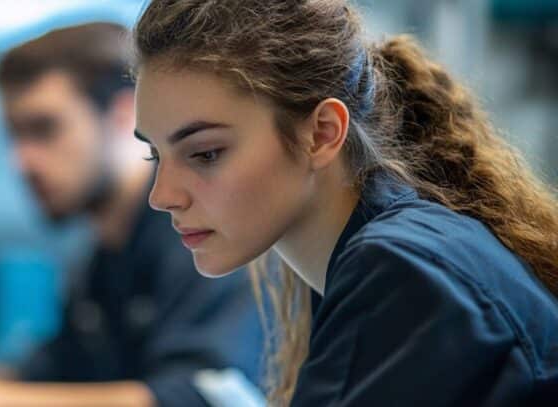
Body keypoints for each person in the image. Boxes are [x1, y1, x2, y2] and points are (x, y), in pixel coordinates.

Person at [131, 0, 558, 406]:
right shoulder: (378, 261)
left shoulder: (399, 271)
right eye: (155, 155)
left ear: (321, 134)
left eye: (206, 153)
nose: (162, 196)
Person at [0, 22, 264, 407]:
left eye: (44, 129)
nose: (22, 161)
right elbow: (48, 377)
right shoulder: (102, 258)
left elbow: (200, 397)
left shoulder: (196, 237)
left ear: (123, 116)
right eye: (14, 136)